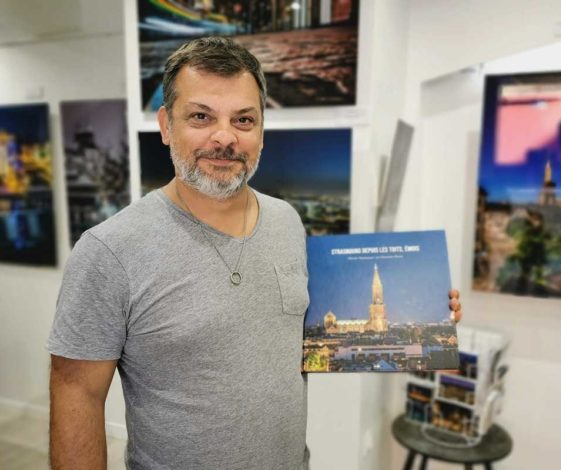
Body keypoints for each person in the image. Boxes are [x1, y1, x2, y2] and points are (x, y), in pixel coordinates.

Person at [48, 37, 462, 469]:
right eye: (201, 116)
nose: (224, 136)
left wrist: (422, 312)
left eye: (243, 119)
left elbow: (307, 338)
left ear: (262, 130)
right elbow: (76, 391)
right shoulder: (109, 251)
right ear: (167, 125)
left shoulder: (287, 221)